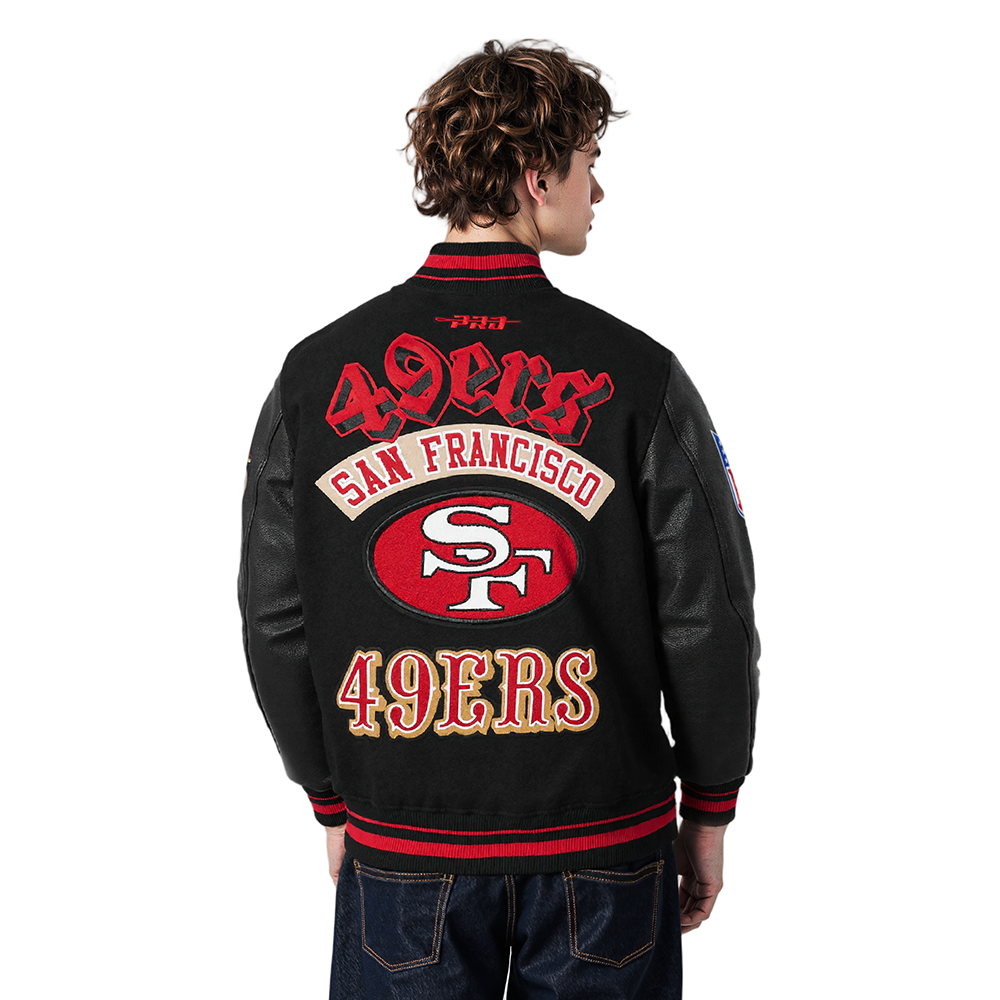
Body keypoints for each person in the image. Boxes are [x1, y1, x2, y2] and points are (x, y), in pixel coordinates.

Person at [239, 39, 760, 1000]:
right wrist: (711, 804)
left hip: (404, 835)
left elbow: (275, 618)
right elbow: (708, 614)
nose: (598, 191)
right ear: (535, 175)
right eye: (590, 164)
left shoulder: (314, 375)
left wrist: (330, 800)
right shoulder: (639, 374)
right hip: (606, 841)